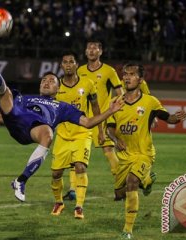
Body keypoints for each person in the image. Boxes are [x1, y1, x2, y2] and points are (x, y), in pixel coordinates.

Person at [0, 42, 124, 202]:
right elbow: (5, 117)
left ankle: (21, 181)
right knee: (7, 94)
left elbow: (87, 122)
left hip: (34, 131)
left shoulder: (62, 106)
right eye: (44, 80)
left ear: (58, 89)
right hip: (17, 122)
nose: (46, 82)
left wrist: (109, 111)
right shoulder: (27, 98)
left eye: (52, 81)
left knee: (48, 134)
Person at [106, 62, 186, 239]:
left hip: (144, 154)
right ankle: (148, 180)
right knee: (119, 194)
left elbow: (168, 118)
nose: (126, 77)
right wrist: (115, 139)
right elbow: (109, 128)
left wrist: (176, 118)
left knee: (132, 182)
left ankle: (127, 230)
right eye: (125, 74)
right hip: (124, 156)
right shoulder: (115, 103)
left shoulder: (150, 102)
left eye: (131, 74)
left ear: (140, 79)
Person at [62, 40, 124, 201]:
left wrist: (115, 111)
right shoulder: (80, 70)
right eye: (88, 48)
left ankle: (121, 185)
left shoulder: (109, 71)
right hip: (82, 120)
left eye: (94, 48)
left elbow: (120, 93)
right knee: (74, 156)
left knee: (109, 152)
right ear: (85, 52)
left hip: (101, 118)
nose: (91, 51)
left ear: (100, 52)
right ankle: (73, 189)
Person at [50, 51, 102, 219]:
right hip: (63, 136)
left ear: (76, 65)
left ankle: (79, 206)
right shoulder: (55, 87)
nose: (68, 65)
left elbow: (95, 108)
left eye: (71, 62)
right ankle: (58, 202)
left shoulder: (88, 84)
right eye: (65, 62)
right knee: (56, 174)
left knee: (80, 167)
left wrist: (100, 130)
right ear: (61, 66)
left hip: (82, 133)